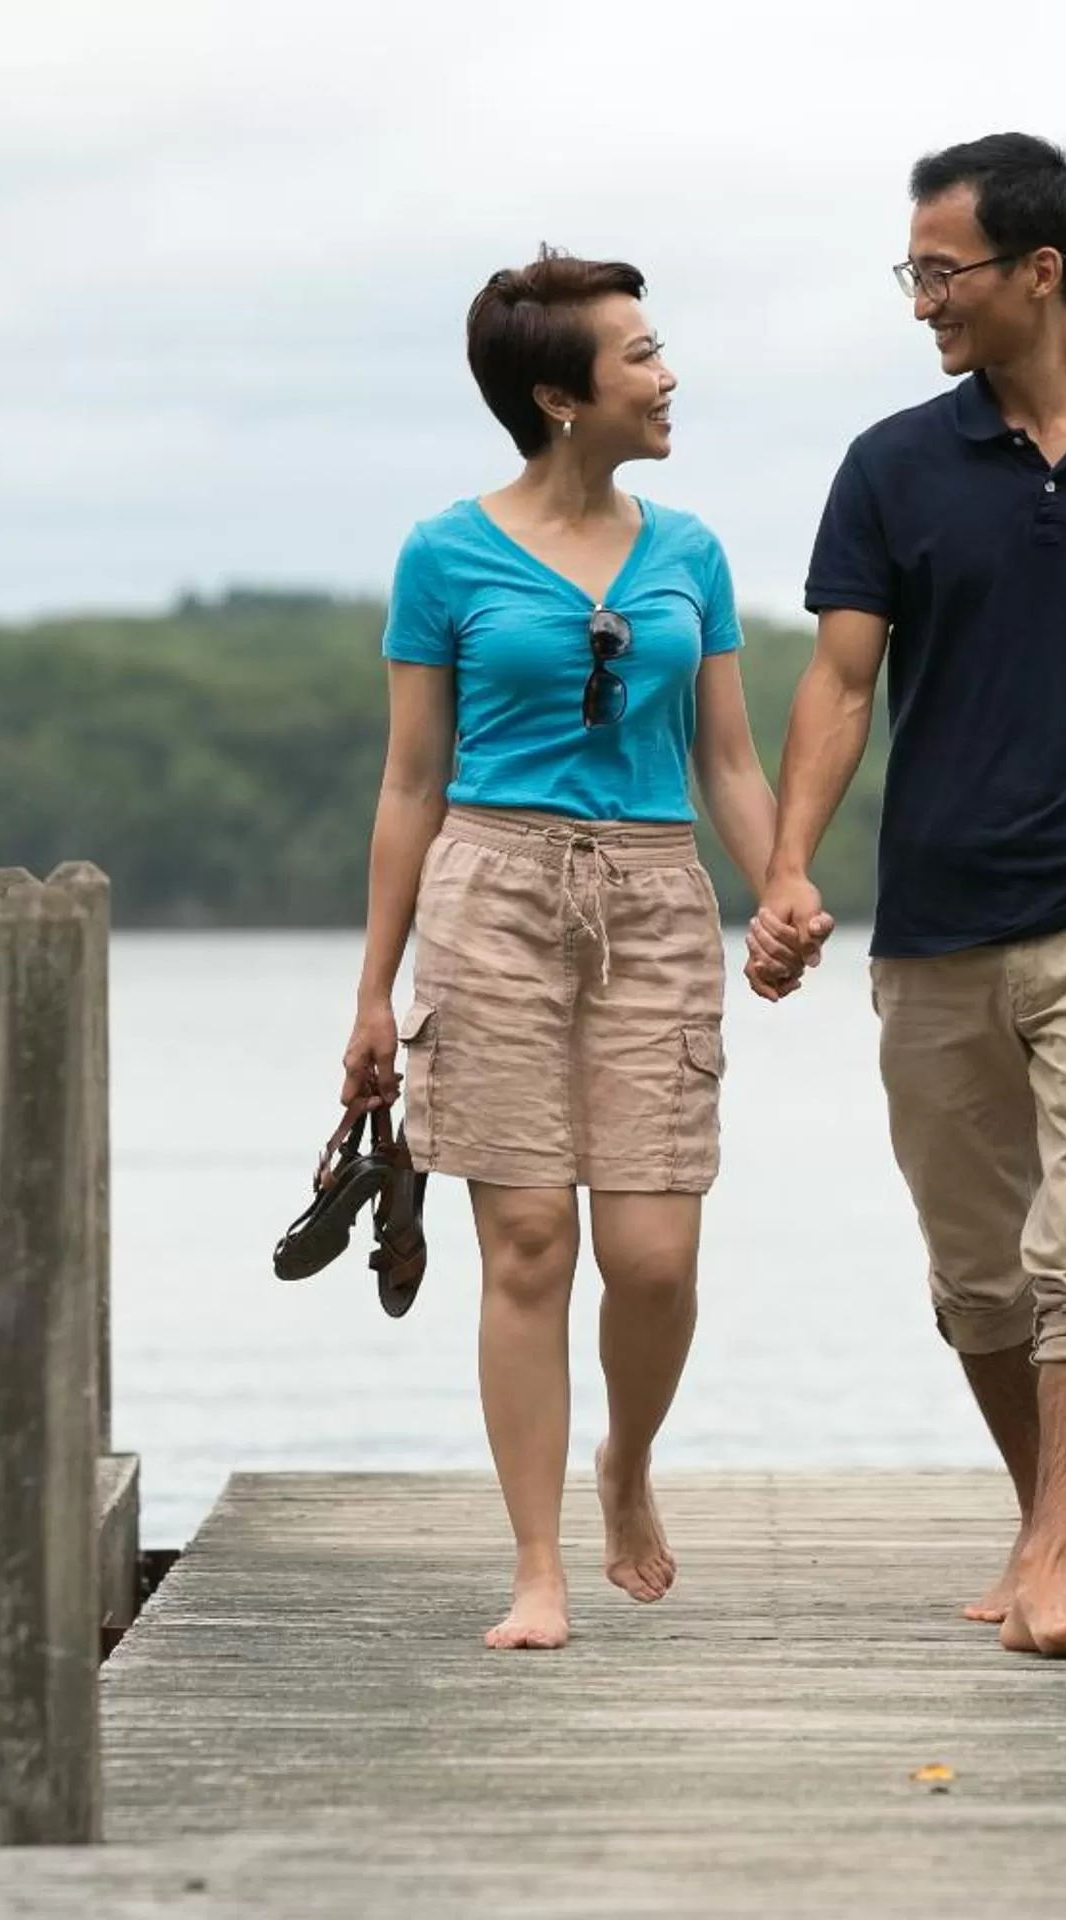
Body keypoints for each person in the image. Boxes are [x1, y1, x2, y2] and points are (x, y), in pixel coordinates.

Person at [746, 135, 1066, 1660]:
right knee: (981, 1277)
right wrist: (784, 867)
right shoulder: (892, 465)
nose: (920, 302)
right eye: (912, 270)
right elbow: (841, 683)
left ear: (1042, 271)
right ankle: (1044, 1527)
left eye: (940, 270)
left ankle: (1048, 1566)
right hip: (936, 932)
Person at [342, 248, 779, 1651]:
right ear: (558, 393)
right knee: (527, 1243)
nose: (666, 376)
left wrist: (781, 890)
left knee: (651, 1256)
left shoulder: (692, 551)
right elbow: (411, 781)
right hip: (493, 896)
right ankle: (536, 1569)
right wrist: (370, 990)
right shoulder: (442, 553)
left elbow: (727, 757)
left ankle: (627, 1468)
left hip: (653, 898)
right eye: (640, 355)